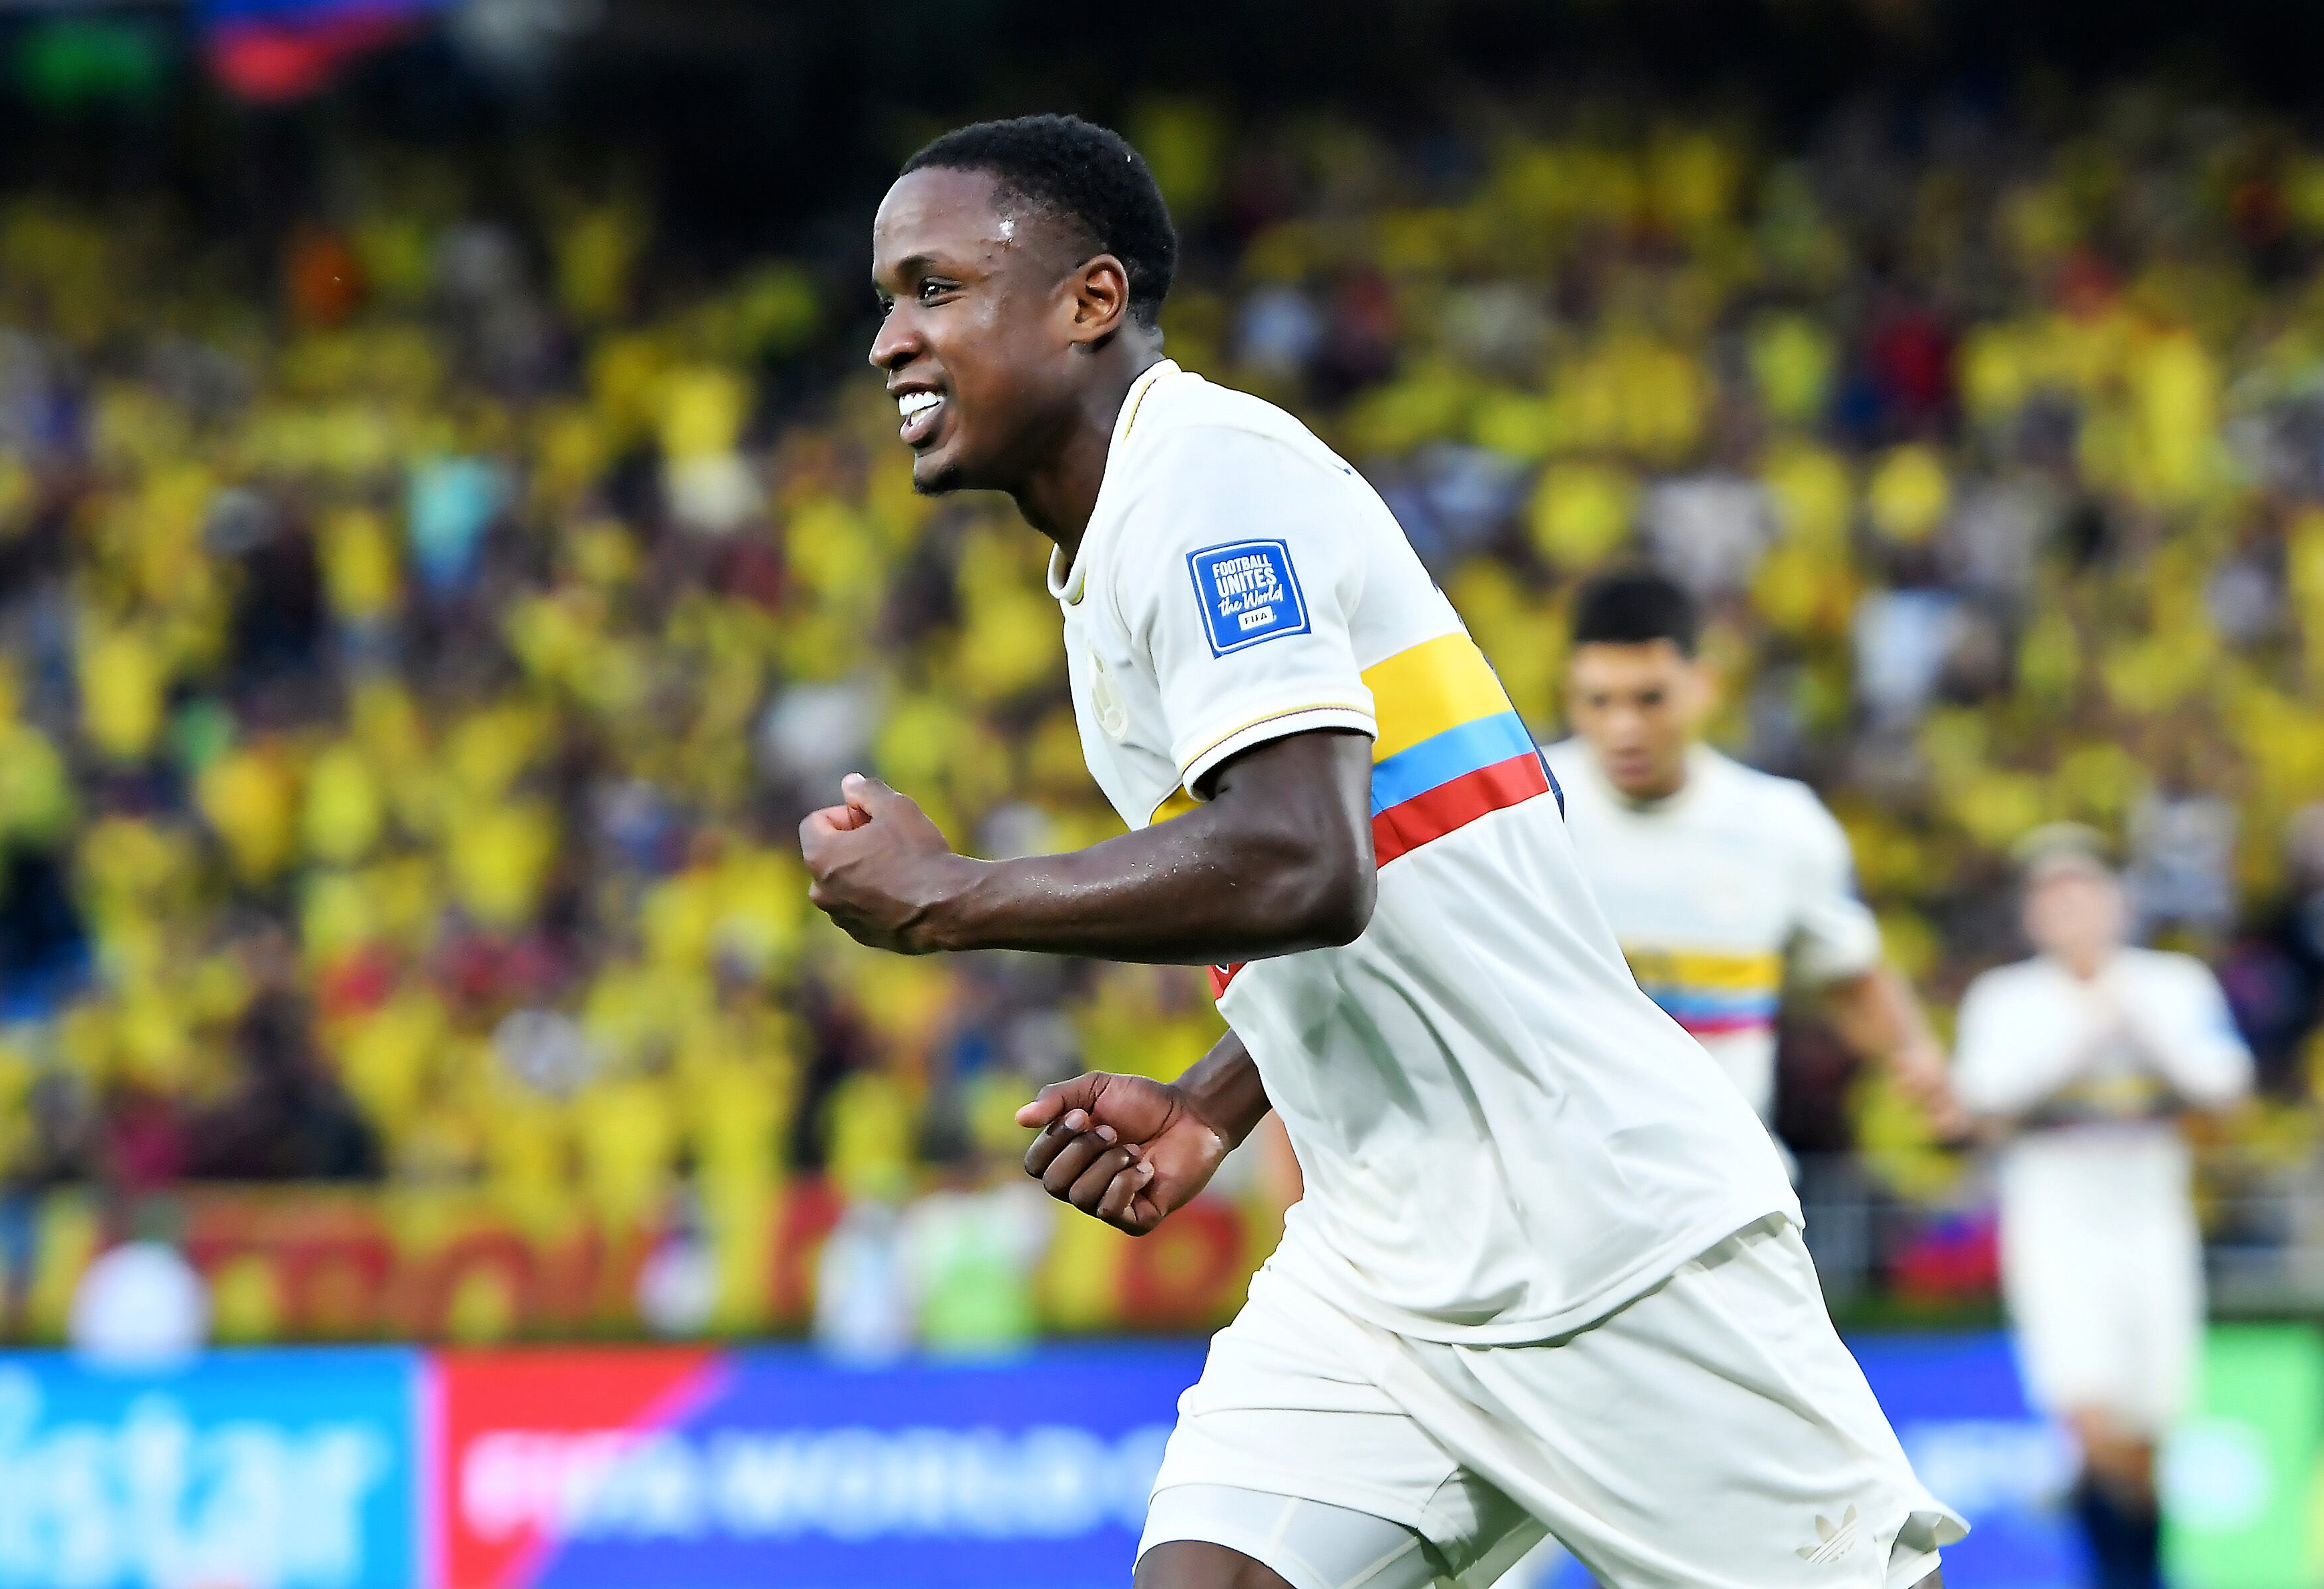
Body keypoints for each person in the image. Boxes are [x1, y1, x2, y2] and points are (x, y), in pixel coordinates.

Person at [801, 114, 1964, 1589]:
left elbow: (1305, 860)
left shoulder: (1206, 483)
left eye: (934, 289)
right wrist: (1222, 1097)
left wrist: (952, 899)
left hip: (1601, 1235)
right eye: (887, 301)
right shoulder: (1107, 547)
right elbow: (1401, 869)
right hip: (1382, 1258)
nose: (889, 341)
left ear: (1090, 302)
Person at [1546, 570, 1957, 1139]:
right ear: (1569, 693)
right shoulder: (1525, 813)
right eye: (1599, 701)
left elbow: (1850, 978)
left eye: (1650, 699)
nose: (1623, 729)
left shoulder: (1780, 826)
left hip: (1727, 1185)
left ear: (1704, 686)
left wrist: (1917, 1058)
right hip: (1566, 1178)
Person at [1951, 827, 2252, 1589]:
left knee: (2148, 1432)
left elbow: (2226, 1087)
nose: (2071, 910)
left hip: (2153, 1224)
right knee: (2087, 1417)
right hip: (2055, 1229)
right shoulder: (2005, 998)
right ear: (2031, 913)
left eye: (2084, 890)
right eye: (2051, 895)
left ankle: (2142, 1569)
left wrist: (2136, 1023)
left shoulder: (2172, 984)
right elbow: (1979, 1102)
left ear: (2117, 901)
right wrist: (2080, 1036)